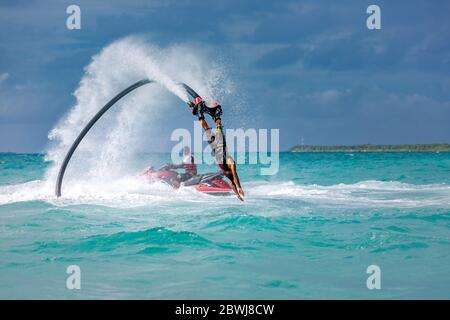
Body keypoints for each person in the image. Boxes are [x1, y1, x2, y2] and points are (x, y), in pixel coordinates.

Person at [188, 97, 245, 201]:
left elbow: (233, 183)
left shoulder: (229, 173)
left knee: (207, 128)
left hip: (215, 146)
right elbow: (235, 178)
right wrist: (240, 188)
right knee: (216, 126)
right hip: (220, 143)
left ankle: (197, 111)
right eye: (229, 174)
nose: (227, 174)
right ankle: (212, 113)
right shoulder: (231, 164)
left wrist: (237, 194)